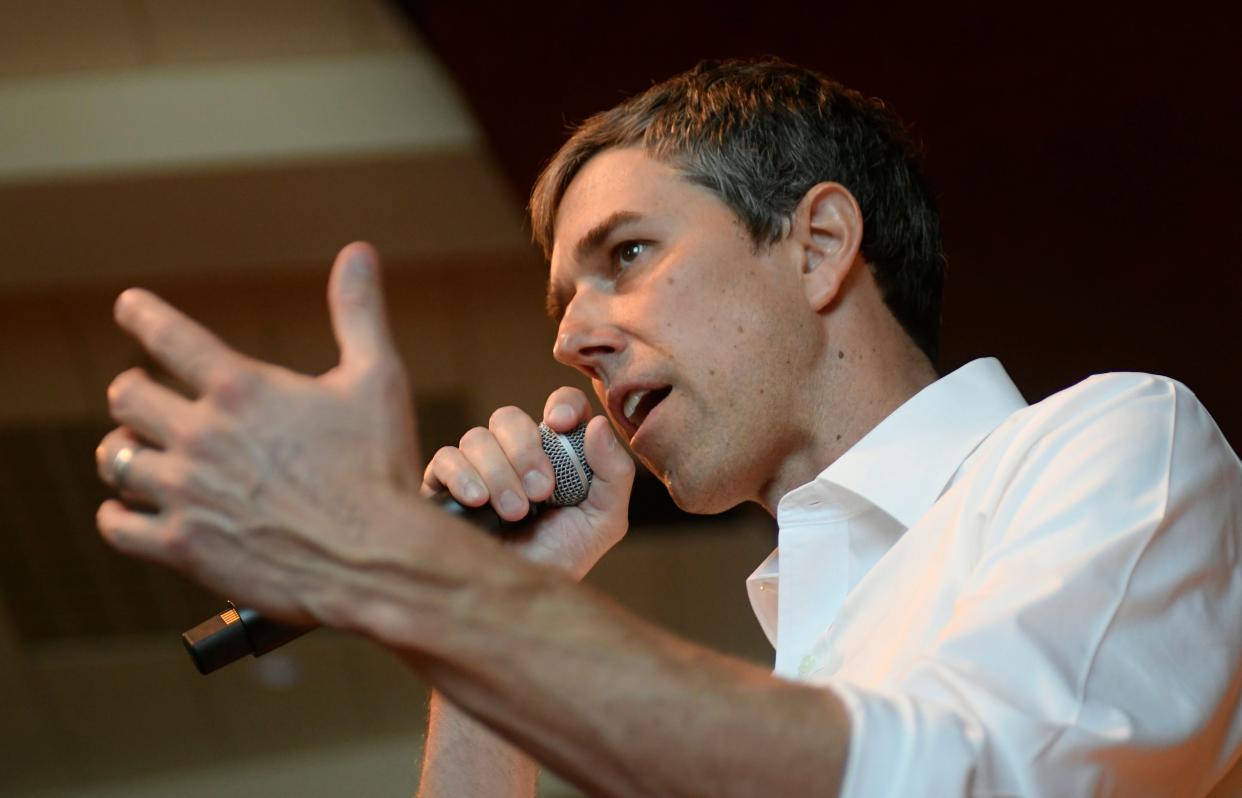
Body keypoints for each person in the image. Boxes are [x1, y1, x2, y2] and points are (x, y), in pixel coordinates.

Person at [94, 59, 1242, 796]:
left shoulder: (1115, 444)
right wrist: (495, 603)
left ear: (821, 244)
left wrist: (407, 577)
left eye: (627, 257)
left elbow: (962, 777)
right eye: (560, 305)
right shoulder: (793, 657)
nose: (572, 341)